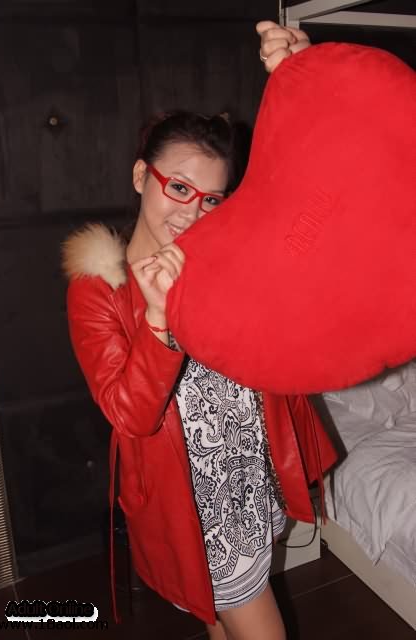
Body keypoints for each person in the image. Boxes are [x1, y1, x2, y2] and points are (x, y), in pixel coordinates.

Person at [62, 22, 336, 640]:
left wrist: (304, 84)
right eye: (179, 188)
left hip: (248, 476)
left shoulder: (219, 261)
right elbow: (129, 414)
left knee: (221, 622)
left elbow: (304, 204)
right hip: (194, 507)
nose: (192, 212)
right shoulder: (99, 288)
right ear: (141, 176)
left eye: (211, 199)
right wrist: (158, 321)